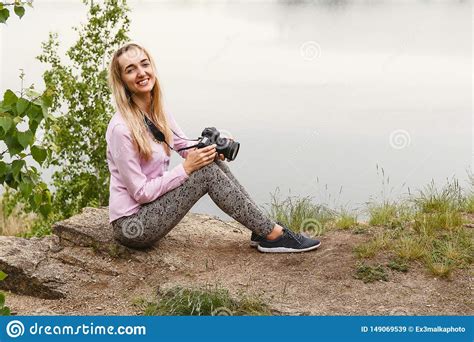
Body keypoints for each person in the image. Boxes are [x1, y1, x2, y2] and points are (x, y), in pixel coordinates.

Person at [106, 42, 321, 253]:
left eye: (145, 64)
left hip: (151, 210)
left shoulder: (157, 112)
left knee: (210, 161)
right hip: (133, 225)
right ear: (122, 81)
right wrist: (185, 168)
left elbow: (183, 145)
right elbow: (141, 193)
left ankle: (262, 229)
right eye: (130, 70)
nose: (141, 73)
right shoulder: (121, 129)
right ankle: (272, 234)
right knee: (205, 173)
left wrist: (212, 148)